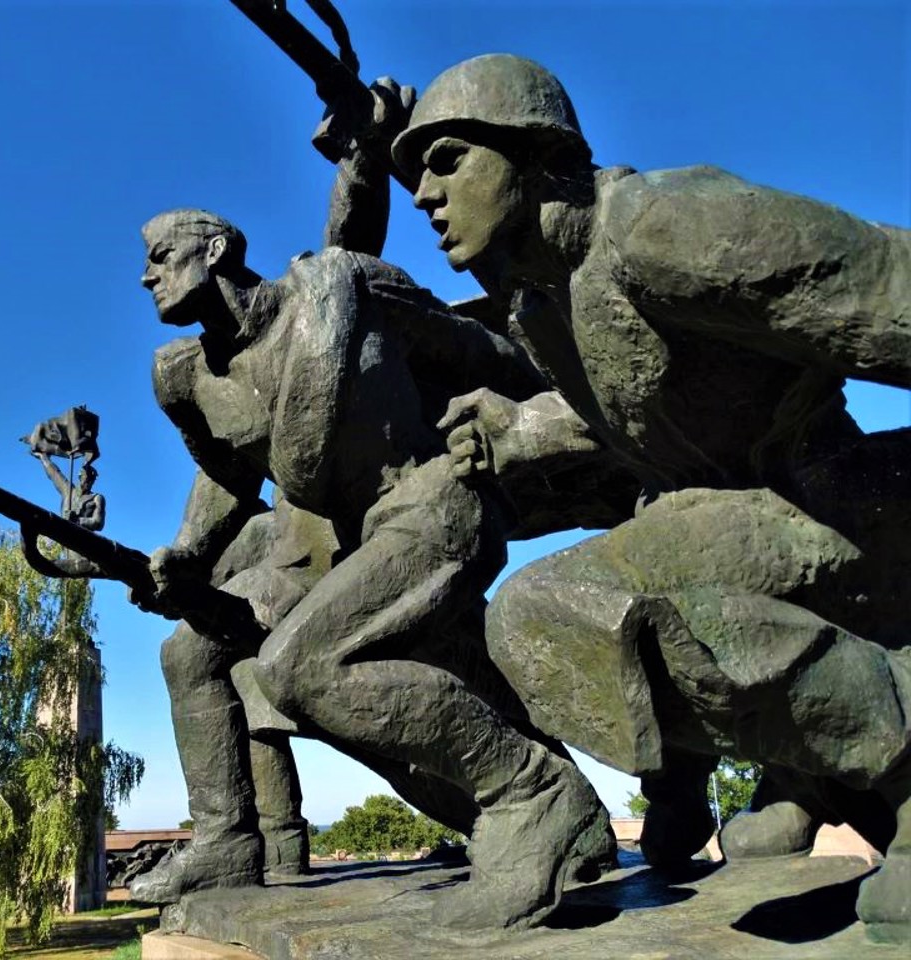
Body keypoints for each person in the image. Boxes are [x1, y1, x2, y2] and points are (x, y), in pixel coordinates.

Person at [389, 53, 911, 940]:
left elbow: (888, 289)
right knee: (563, 606)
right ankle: (819, 778)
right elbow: (636, 404)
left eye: (447, 160)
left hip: (837, 501)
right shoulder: (542, 302)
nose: (423, 196)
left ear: (537, 153)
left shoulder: (664, 225)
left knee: (552, 611)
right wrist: (521, 432)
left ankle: (888, 761)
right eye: (412, 174)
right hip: (734, 508)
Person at [128, 203, 619, 930]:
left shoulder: (337, 288)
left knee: (299, 667)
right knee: (191, 651)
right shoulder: (181, 377)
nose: (147, 276)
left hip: (427, 507)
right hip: (330, 542)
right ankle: (228, 842)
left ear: (219, 248)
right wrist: (190, 553)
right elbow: (230, 474)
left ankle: (535, 792)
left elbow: (477, 353)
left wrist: (528, 422)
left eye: (162, 254)